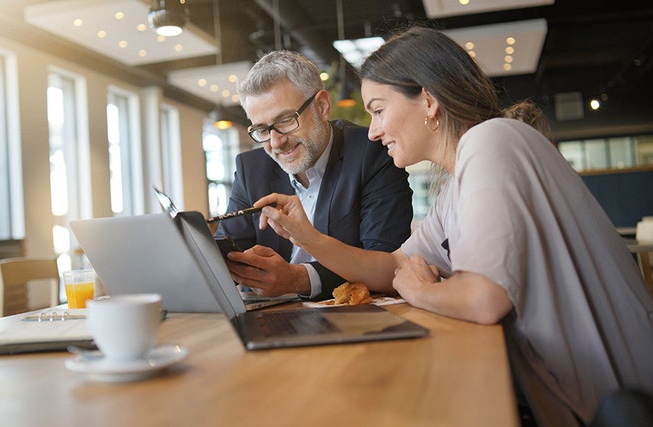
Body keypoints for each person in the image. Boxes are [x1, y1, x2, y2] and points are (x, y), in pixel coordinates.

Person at [250, 27, 653, 426]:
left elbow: (483, 298)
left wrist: (422, 290)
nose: (372, 131)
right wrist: (310, 239)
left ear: (427, 101)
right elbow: (393, 265)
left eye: (378, 109)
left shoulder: (491, 141)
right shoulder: (458, 183)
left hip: (613, 405)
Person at [216, 50, 414, 301]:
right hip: (273, 320)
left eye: (286, 120)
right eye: (262, 129)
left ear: (322, 106)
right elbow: (225, 254)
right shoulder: (251, 168)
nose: (276, 142)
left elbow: (387, 262)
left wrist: (298, 278)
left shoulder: (372, 153)